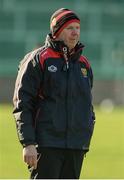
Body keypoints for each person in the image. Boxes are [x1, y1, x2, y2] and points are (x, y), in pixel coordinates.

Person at [13, 8, 95, 179]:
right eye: (69, 28)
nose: (75, 33)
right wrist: (28, 143)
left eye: (77, 28)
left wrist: (86, 131)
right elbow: (23, 104)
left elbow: (87, 104)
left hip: (75, 147)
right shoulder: (38, 59)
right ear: (56, 31)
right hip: (46, 144)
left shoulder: (83, 64)